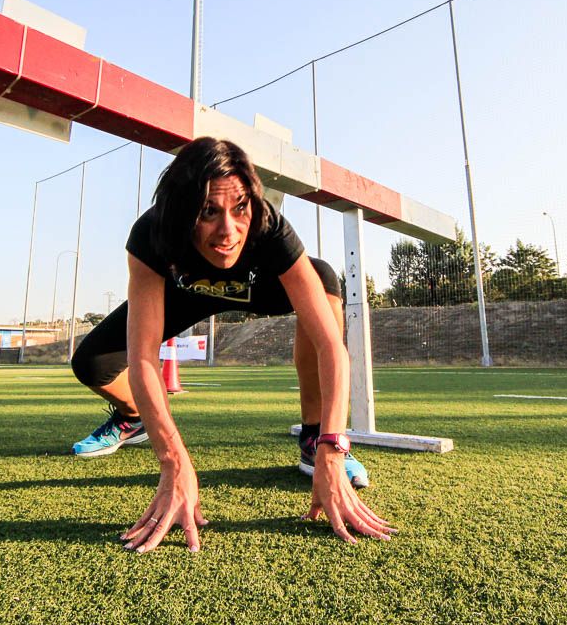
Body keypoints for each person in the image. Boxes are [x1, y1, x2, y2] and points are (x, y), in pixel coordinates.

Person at [69, 137, 393, 552]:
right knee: (90, 364)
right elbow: (144, 355)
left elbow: (331, 346)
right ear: (182, 211)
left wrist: (334, 444)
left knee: (325, 280)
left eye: (239, 209)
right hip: (185, 292)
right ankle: (132, 417)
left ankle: (312, 439)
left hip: (258, 288)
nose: (228, 230)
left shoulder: (268, 227)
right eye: (209, 212)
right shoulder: (152, 233)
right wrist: (173, 459)